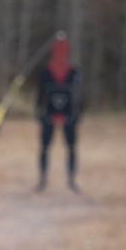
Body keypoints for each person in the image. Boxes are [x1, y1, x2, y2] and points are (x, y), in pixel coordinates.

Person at [35, 32, 83, 192]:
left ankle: (71, 180)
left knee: (71, 147)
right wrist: (40, 114)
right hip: (49, 114)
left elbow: (79, 96)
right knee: (45, 147)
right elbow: (40, 95)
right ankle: (42, 180)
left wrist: (78, 116)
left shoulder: (74, 73)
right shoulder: (46, 73)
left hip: (69, 115)